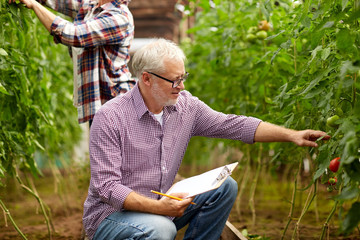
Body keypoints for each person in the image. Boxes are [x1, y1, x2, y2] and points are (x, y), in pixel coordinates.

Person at [82, 38, 330, 240]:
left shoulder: (185, 107)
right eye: (174, 80)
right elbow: (107, 188)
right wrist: (159, 209)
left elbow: (234, 125)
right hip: (111, 217)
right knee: (161, 229)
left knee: (224, 187)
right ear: (146, 79)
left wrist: (291, 135)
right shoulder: (112, 117)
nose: (180, 86)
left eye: (183, 77)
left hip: (162, 205)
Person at [9, 0, 135, 125]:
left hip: (116, 104)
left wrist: (34, 5)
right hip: (103, 104)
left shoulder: (119, 18)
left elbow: (73, 34)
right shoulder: (93, 6)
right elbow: (64, 2)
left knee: (109, 145)